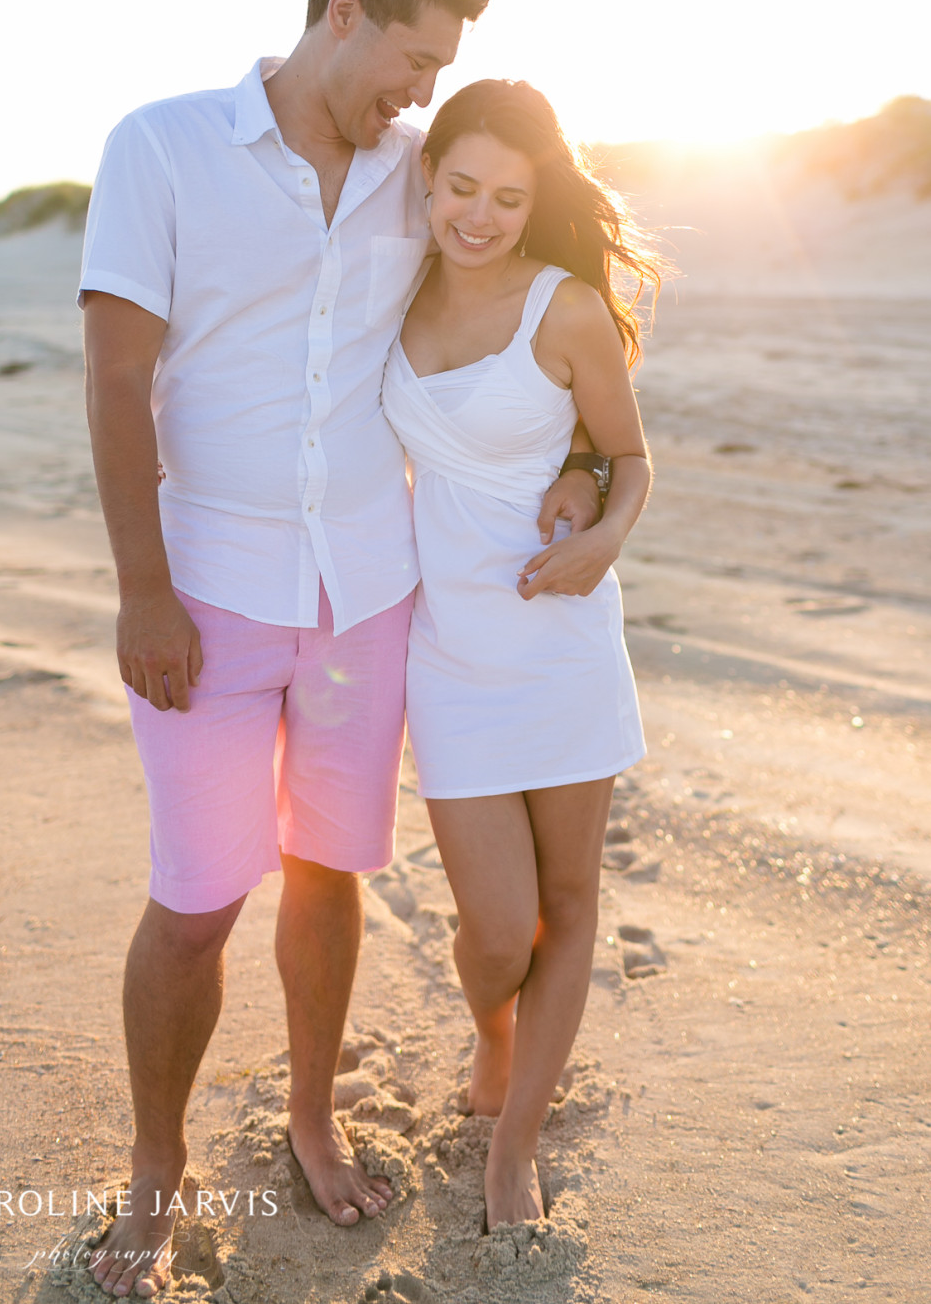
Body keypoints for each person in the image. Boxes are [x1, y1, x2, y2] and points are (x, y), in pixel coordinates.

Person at [78, 0, 603, 1300]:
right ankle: (154, 1165)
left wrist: (593, 461)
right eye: (414, 60)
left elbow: (529, 300)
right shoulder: (163, 146)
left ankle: (312, 1114)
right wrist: (142, 590)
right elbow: (117, 382)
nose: (420, 95)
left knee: (329, 871)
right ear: (347, 8)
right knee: (194, 899)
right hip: (202, 596)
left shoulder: (409, 174)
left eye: (439, 74)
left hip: (369, 596)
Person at [381, 78, 661, 1231]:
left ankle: (513, 1144)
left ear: (534, 199)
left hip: (559, 642)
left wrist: (599, 529)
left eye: (507, 196)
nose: (479, 216)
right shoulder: (382, 291)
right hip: (447, 652)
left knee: (568, 897)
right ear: (428, 178)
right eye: (460, 188)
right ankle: (491, 1030)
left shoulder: (566, 310)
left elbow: (629, 453)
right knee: (495, 930)